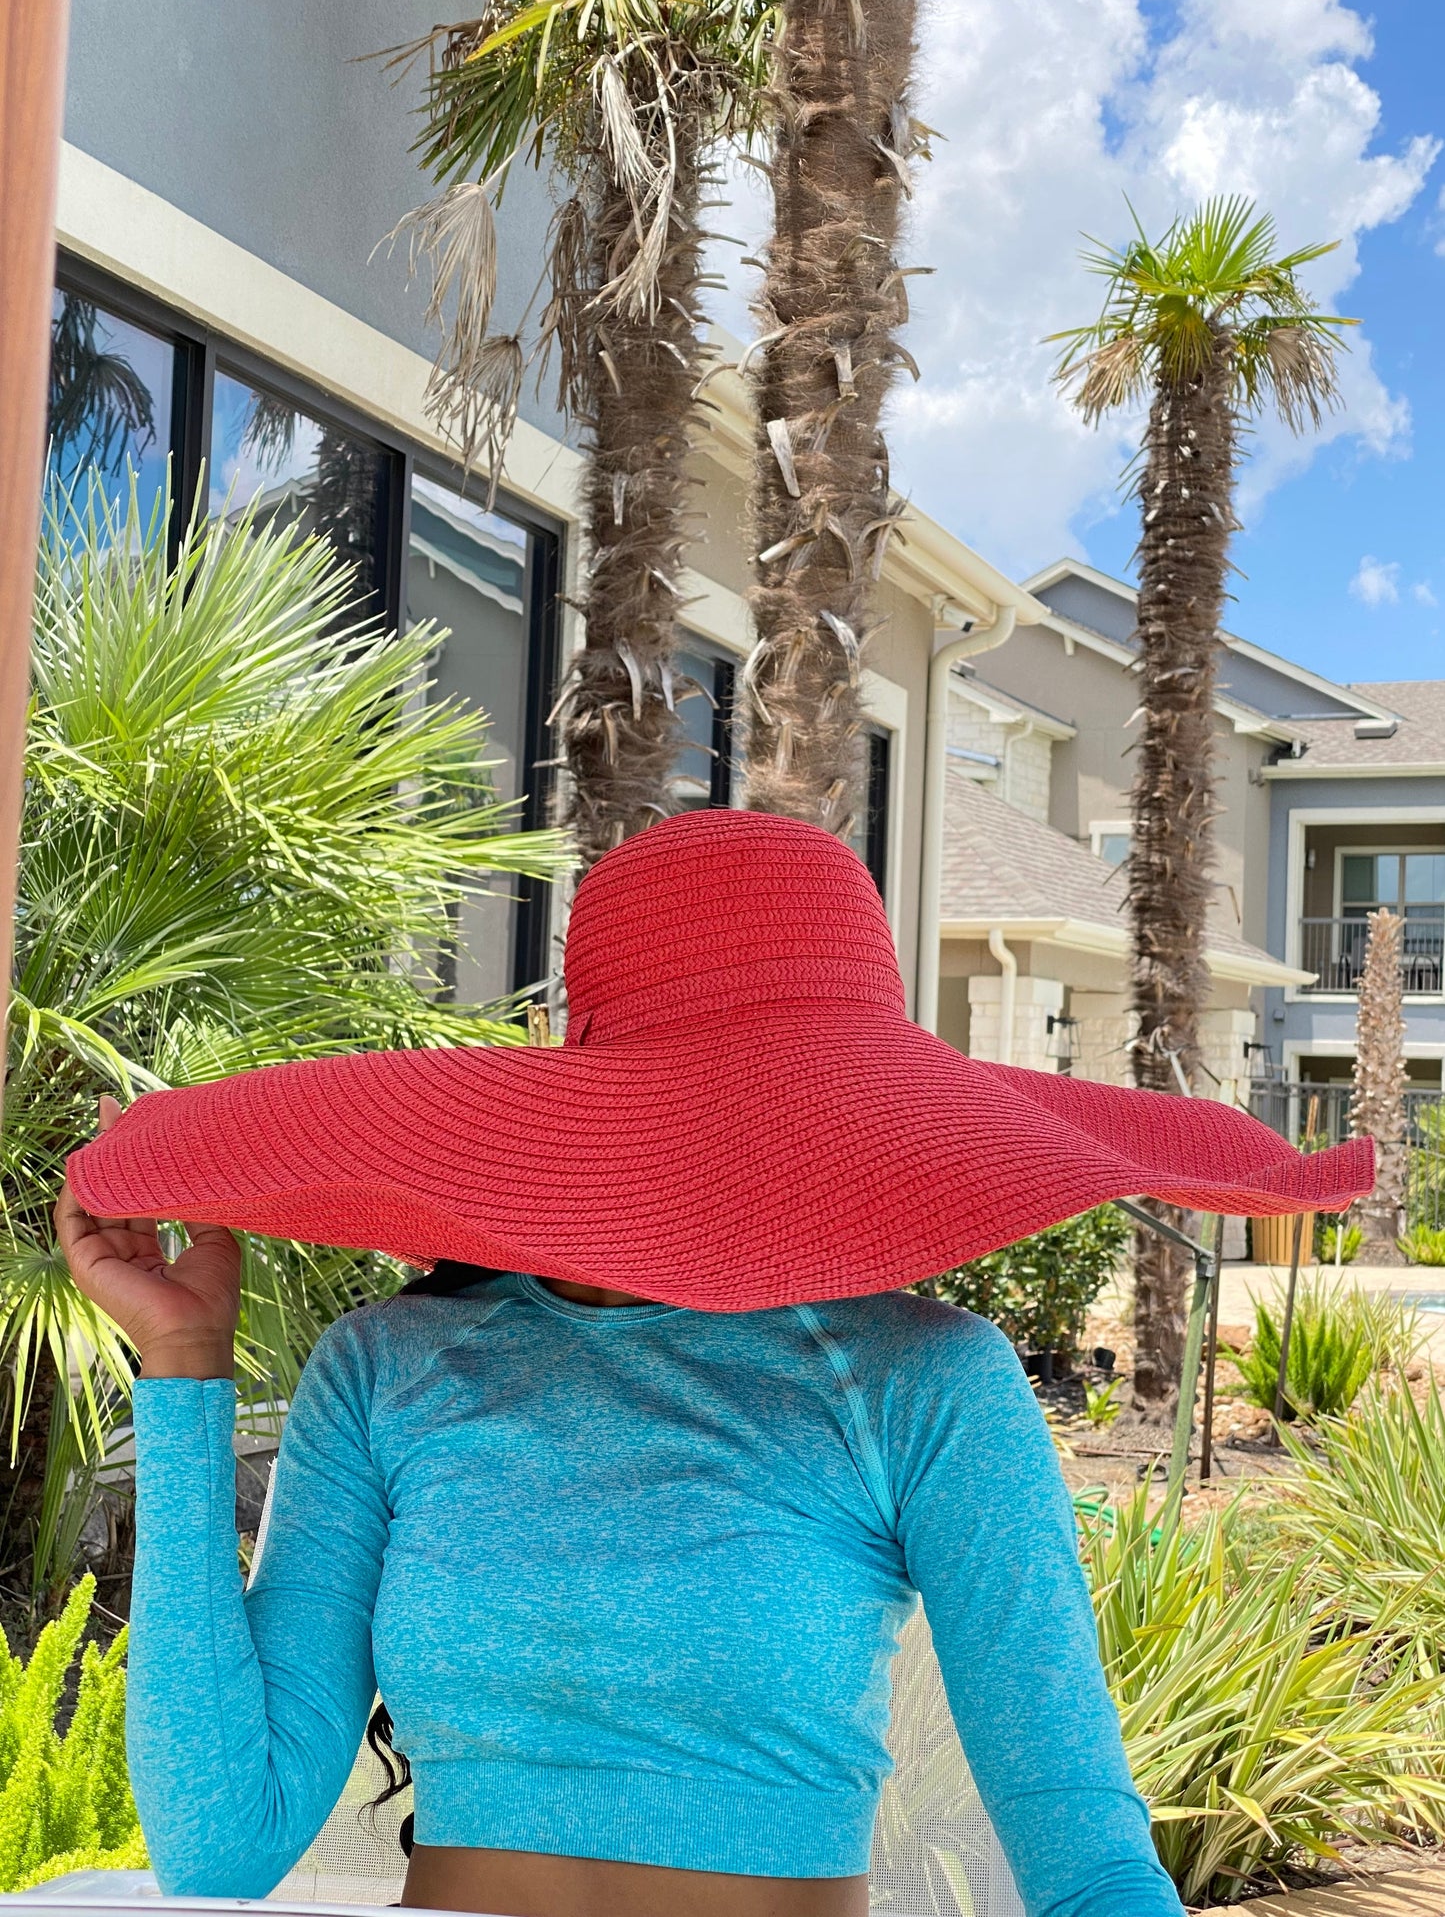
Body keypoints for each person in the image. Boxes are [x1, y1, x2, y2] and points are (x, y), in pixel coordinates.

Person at [60, 809, 1370, 1917]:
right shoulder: (390, 1368)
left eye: (802, 1101)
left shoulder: (924, 1382)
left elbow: (1076, 1841)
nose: (759, 1141)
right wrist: (182, 1370)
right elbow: (224, 1843)